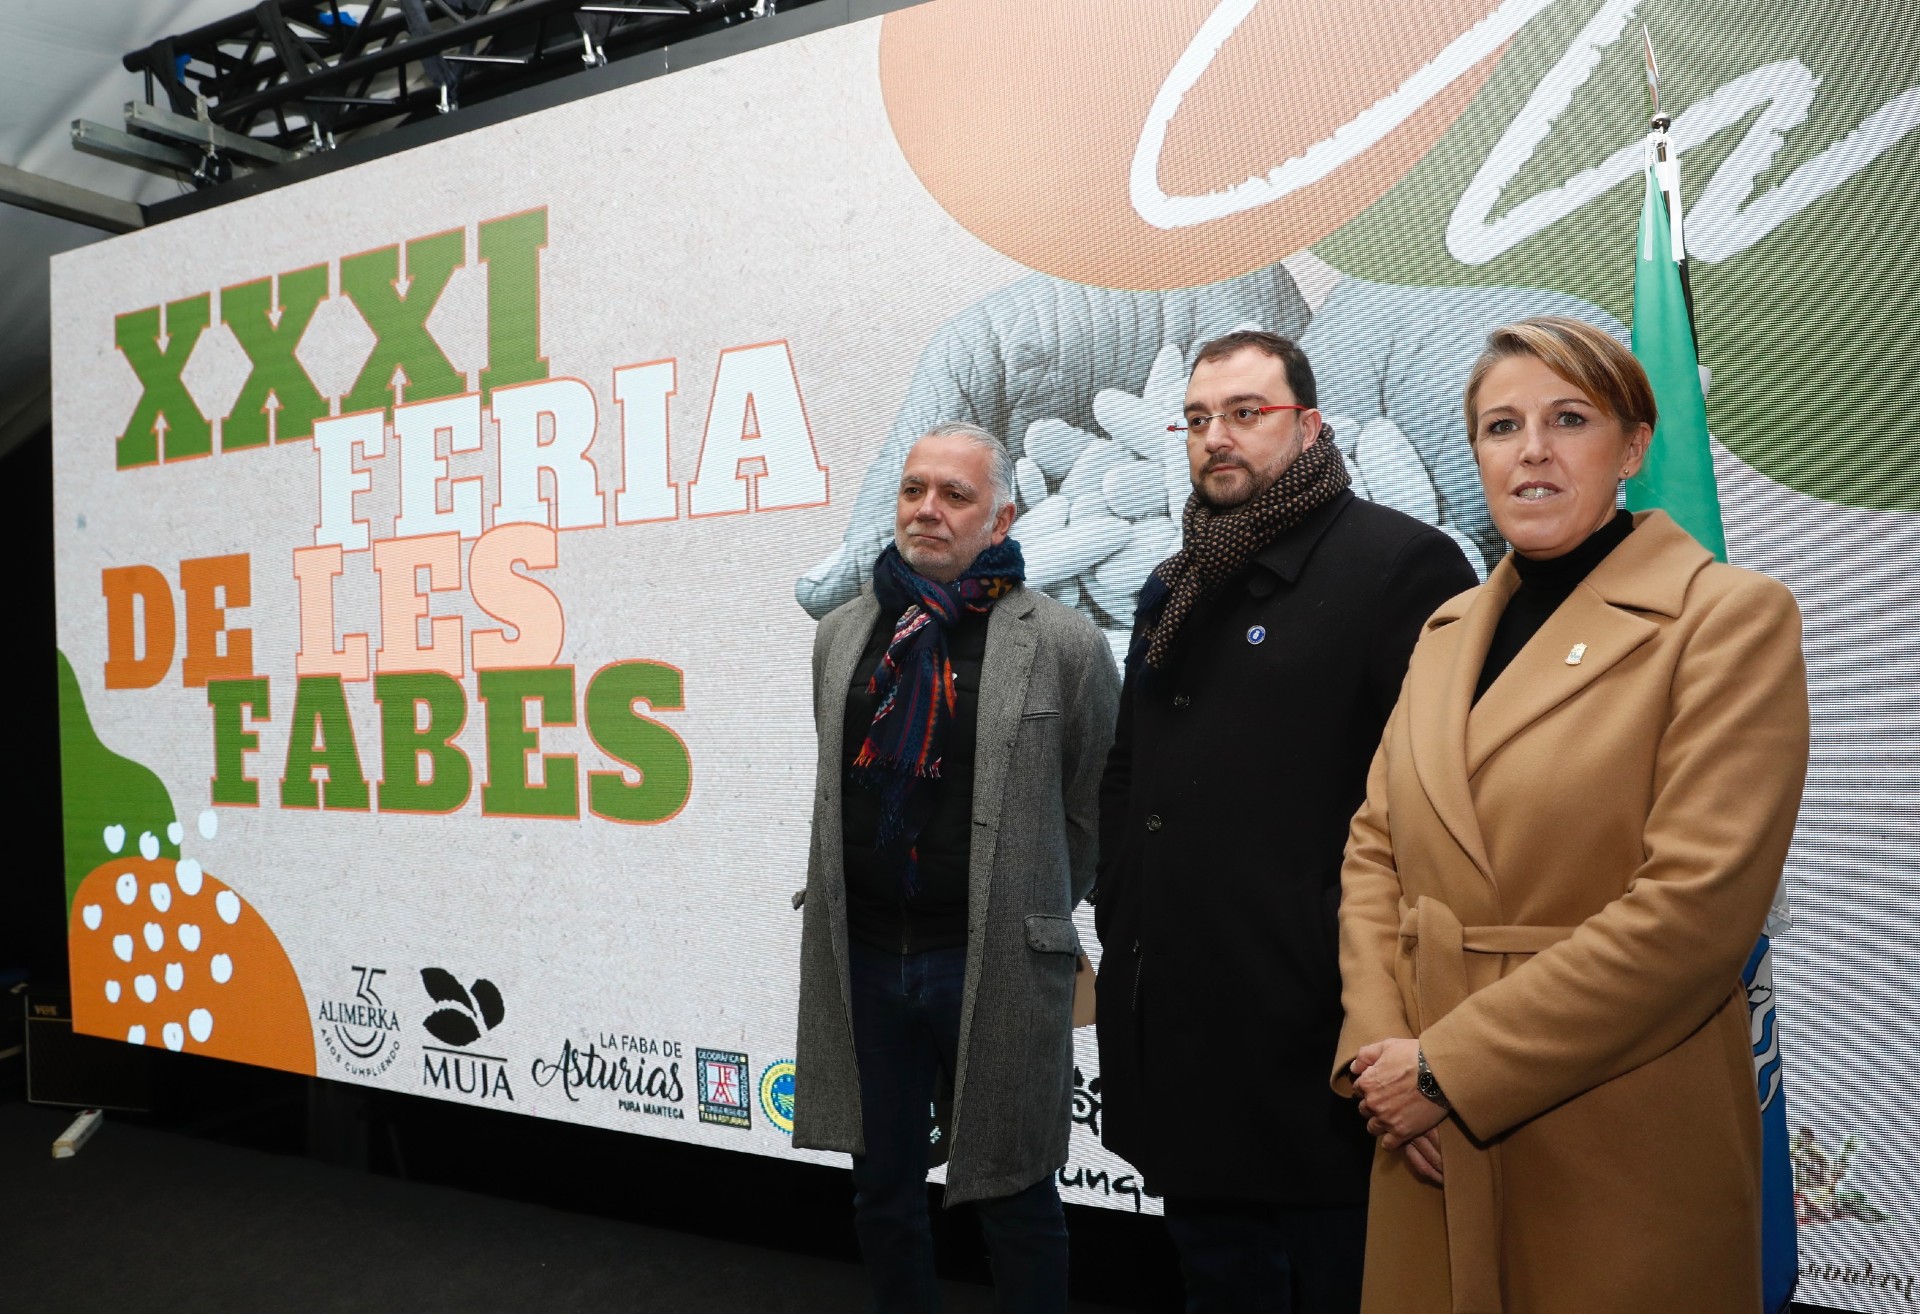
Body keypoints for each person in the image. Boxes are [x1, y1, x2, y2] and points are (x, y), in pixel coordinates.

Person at [1335, 316, 1811, 1312]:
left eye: (1569, 419)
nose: (1533, 450)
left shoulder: (1728, 619)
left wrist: (1451, 1071)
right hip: (1420, 1134)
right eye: (1502, 426)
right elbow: (1374, 854)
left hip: (1616, 1130)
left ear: (1632, 447)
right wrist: (1382, 1054)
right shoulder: (1446, 630)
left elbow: (1693, 914)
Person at [1095, 330, 1477, 1312]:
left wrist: (1403, 1017)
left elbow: (1447, 810)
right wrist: (1121, 904)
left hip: (1323, 1046)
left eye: (1245, 413)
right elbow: (1131, 768)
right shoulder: (1175, 583)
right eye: (1196, 419)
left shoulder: (1403, 566)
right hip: (1185, 1032)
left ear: (1308, 426)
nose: (1215, 437)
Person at [792, 421, 1121, 1313]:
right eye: (913, 490)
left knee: (1015, 1193)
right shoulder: (842, 635)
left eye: (954, 495)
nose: (926, 510)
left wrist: (1029, 901)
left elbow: (1091, 810)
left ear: (1001, 518)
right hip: (865, 957)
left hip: (994, 961)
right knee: (883, 1191)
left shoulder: (1064, 643)